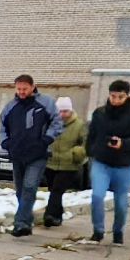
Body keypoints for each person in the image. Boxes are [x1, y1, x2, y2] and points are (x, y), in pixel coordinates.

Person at [85, 79, 130, 244]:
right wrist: (91, 151)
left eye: (120, 97)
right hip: (101, 162)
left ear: (127, 96)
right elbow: (91, 135)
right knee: (97, 196)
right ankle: (98, 230)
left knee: (121, 202)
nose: (115, 100)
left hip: (124, 165)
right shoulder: (100, 113)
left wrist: (124, 144)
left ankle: (118, 231)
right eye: (113, 96)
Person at [0, 74, 61, 237]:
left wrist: (46, 139)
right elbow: (3, 128)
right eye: (19, 89)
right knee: (20, 191)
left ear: (33, 87)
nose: (21, 92)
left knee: (30, 186)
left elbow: (57, 123)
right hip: (17, 154)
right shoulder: (10, 107)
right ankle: (26, 221)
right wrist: (5, 143)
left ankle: (20, 224)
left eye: (24, 88)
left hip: (38, 154)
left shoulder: (45, 103)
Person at [42, 96, 87, 227]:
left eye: (65, 111)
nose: (62, 114)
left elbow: (86, 143)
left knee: (57, 190)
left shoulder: (79, 125)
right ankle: (58, 216)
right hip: (51, 162)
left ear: (70, 111)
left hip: (69, 165)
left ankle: (49, 215)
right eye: (60, 111)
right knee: (54, 191)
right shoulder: (50, 123)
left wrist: (77, 153)